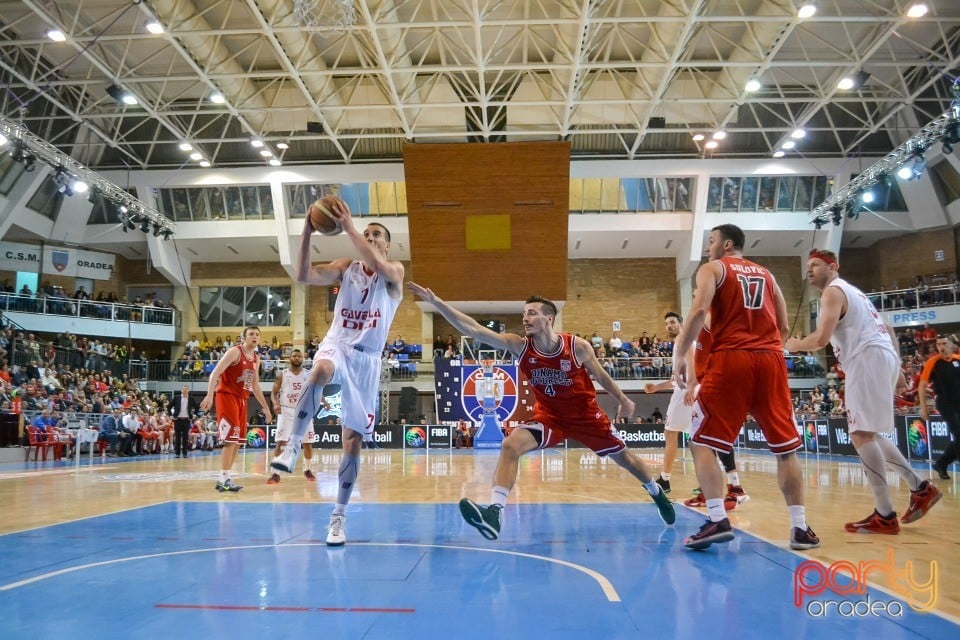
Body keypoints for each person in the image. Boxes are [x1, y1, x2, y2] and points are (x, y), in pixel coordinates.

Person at [407, 283, 675, 540]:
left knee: (625, 459)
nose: (525, 318)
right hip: (550, 417)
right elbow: (475, 330)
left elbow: (601, 375)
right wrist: (437, 303)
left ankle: (656, 492)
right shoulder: (519, 345)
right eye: (524, 314)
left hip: (585, 417)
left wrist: (622, 399)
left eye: (531, 313)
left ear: (549, 318)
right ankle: (494, 513)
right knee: (510, 444)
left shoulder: (576, 347)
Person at [673, 224, 818, 551]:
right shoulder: (768, 276)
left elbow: (698, 312)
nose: (707, 248)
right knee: (785, 450)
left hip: (732, 359)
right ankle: (799, 527)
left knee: (700, 441)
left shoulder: (713, 269)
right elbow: (782, 326)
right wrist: (763, 348)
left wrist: (680, 356)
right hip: (770, 360)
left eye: (711, 242)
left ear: (726, 245)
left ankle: (716, 518)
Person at [270, 201, 403, 546]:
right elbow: (302, 276)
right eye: (367, 232)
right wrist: (307, 231)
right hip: (339, 342)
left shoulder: (395, 273)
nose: (371, 237)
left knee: (352, 441)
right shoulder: (346, 268)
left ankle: (338, 519)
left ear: (387, 245)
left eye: (377, 235)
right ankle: (293, 446)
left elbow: (376, 263)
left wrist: (347, 225)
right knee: (320, 371)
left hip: (368, 361)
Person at [786, 249, 942, 532]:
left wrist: (795, 345)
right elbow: (889, 329)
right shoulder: (855, 292)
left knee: (859, 434)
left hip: (867, 358)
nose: (809, 270)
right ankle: (919, 488)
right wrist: (895, 370)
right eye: (807, 265)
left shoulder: (833, 292)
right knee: (868, 433)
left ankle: (885, 513)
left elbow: (820, 339)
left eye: (816, 264)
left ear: (833, 266)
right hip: (879, 356)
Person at [200, 325, 272, 492]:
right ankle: (224, 478)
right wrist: (209, 395)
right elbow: (215, 373)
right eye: (251, 334)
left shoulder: (256, 357)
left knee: (238, 442)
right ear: (244, 337)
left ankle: (224, 478)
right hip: (226, 396)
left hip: (242, 399)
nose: (255, 337)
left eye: (257, 335)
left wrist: (266, 408)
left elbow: (255, 385)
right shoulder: (235, 352)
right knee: (230, 440)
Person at [267, 349, 315, 484]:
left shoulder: (308, 374)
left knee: (308, 443)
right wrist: (275, 404)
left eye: (299, 356)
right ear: (289, 358)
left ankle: (307, 470)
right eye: (294, 356)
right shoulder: (283, 374)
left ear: (303, 358)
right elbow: (274, 392)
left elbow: (314, 391)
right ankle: (275, 474)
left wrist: (323, 401)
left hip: (304, 411)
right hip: (286, 411)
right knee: (281, 443)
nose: (296, 358)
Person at [918, 334, 960, 480]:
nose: (941, 347)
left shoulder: (957, 359)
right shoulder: (933, 362)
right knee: (959, 433)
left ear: (951, 345)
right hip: (945, 403)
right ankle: (943, 463)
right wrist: (923, 408)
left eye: (944, 343)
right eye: (939, 344)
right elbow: (922, 385)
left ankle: (941, 463)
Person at [171, 384, 196, 458]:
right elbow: (169, 406)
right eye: (183, 389)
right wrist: (171, 415)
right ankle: (177, 453)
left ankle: (185, 453)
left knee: (185, 437)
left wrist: (193, 415)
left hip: (186, 420)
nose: (184, 391)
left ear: (188, 390)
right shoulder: (176, 397)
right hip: (177, 419)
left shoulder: (191, 399)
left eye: (186, 389)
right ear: (181, 390)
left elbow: (196, 407)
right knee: (178, 437)